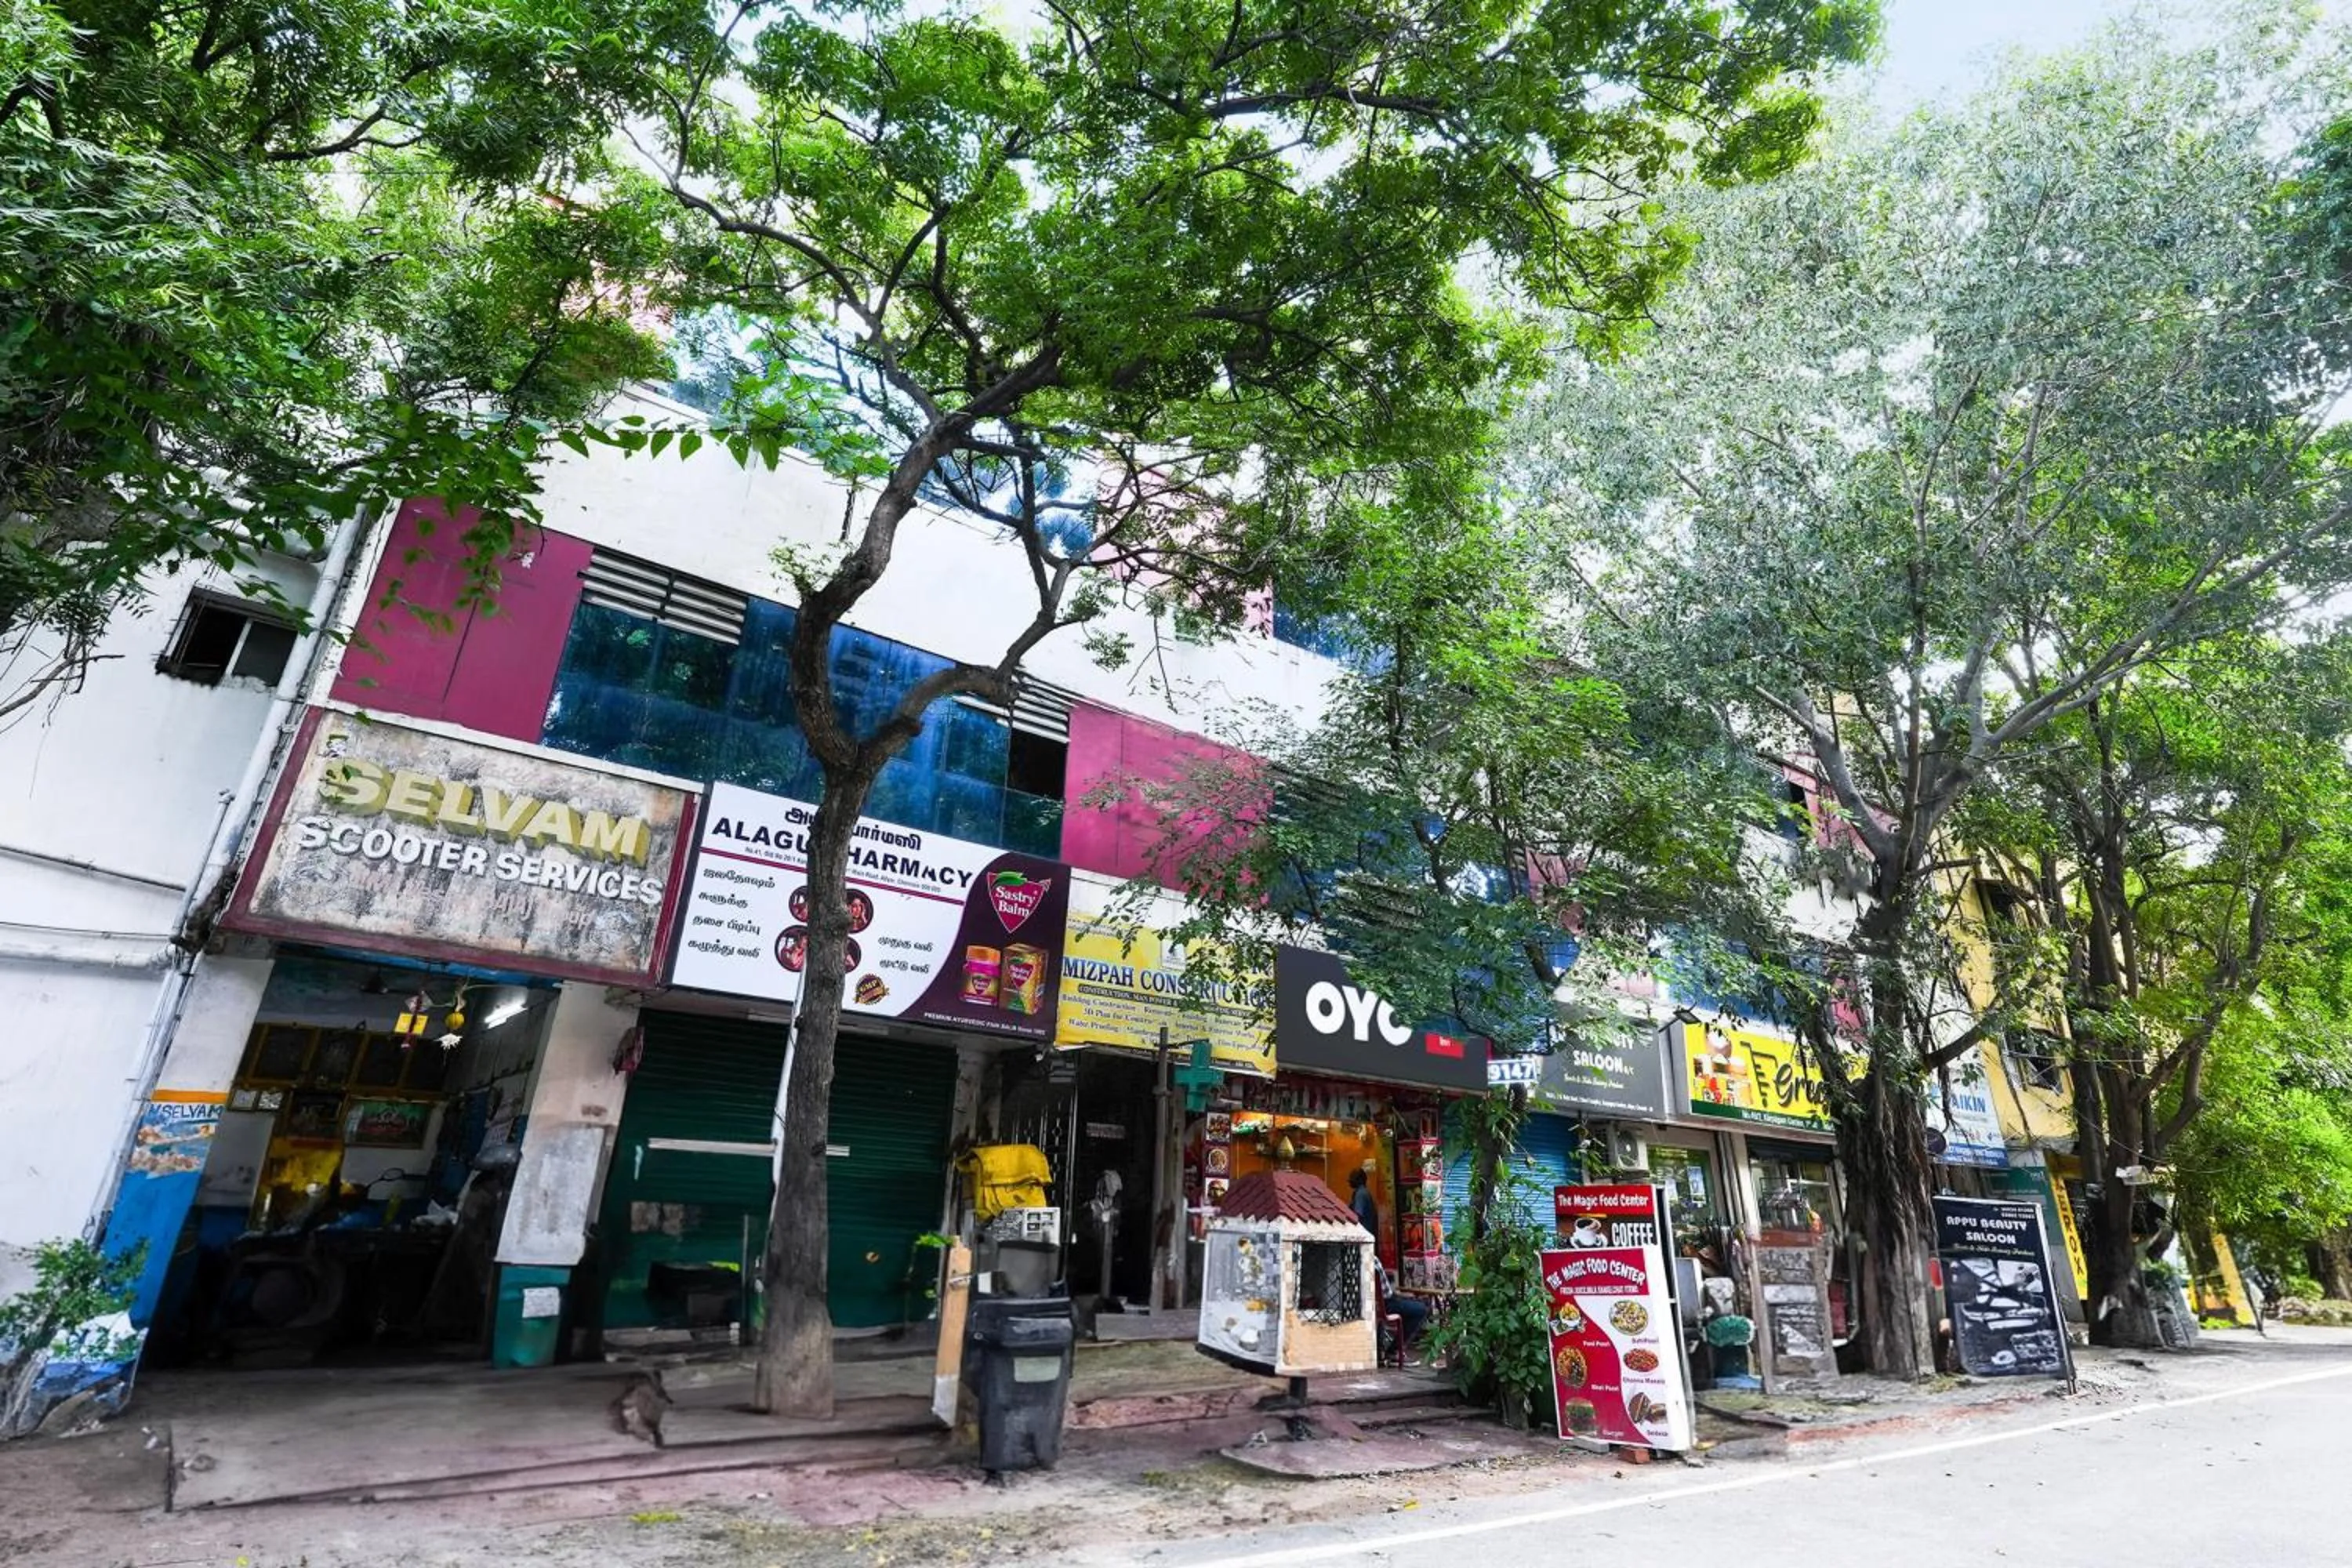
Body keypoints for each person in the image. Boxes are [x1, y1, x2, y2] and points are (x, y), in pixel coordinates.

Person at [1378, 1259, 1430, 1363]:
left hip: (1379, 1303)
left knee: (1412, 1304)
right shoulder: (1374, 1261)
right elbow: (1387, 1294)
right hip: (1386, 1303)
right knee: (1420, 1309)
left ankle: (1393, 1349)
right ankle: (1395, 1350)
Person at [1348, 1164, 1380, 1234]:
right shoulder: (1363, 1192)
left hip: (1364, 1232)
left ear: (1359, 1180)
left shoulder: (1361, 1194)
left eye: (1352, 1178)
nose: (1350, 1181)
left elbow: (1357, 1215)